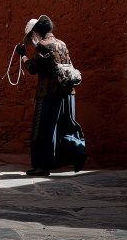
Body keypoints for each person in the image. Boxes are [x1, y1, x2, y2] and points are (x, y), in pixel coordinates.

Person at [16, 15, 86, 176]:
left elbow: (33, 69)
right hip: (68, 93)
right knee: (65, 126)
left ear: (36, 33)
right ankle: (77, 153)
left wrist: (23, 55)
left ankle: (41, 166)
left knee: (43, 130)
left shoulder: (41, 46)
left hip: (49, 94)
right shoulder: (62, 44)